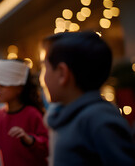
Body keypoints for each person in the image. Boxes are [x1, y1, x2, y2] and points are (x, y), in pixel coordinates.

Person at [41, 31, 135, 165]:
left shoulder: (99, 120)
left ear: (62, 73)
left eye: (45, 67)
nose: (41, 78)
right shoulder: (62, 117)